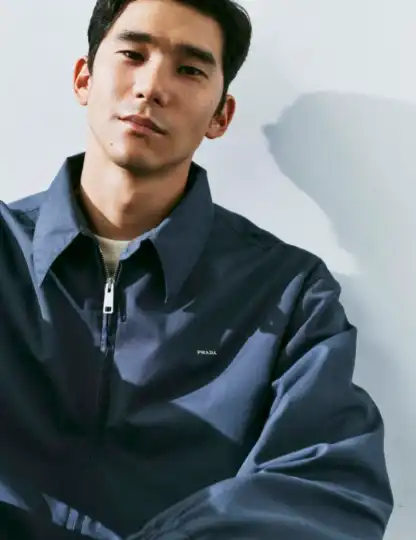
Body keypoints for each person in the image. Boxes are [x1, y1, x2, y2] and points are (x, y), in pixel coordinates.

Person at [0, 0, 393, 538]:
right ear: (84, 79)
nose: (151, 87)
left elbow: (332, 487)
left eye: (189, 69)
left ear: (220, 116)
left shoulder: (288, 293)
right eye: (132, 54)